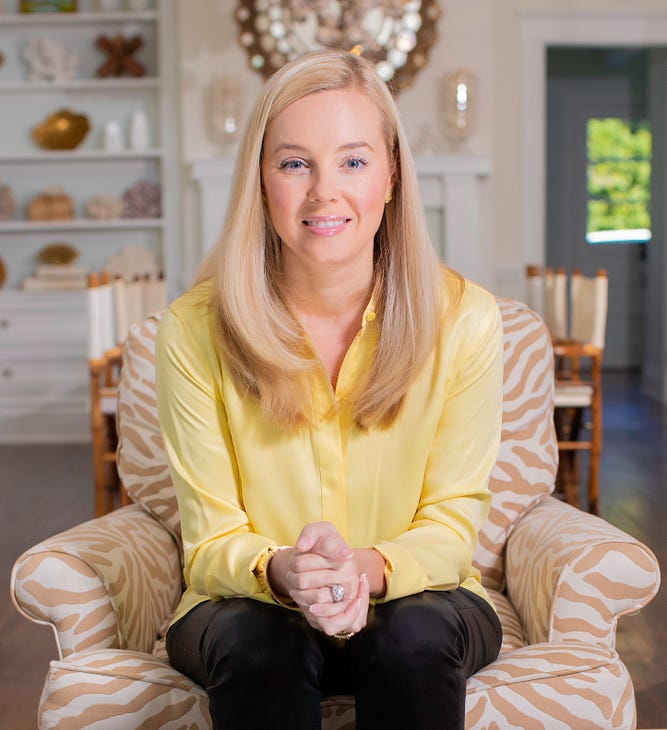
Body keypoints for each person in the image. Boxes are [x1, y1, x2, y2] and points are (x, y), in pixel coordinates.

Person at [156, 48, 503, 730]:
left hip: (422, 604)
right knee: (259, 643)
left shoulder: (465, 320)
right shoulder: (193, 329)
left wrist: (363, 570)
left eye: (353, 161)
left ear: (392, 175)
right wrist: (285, 572)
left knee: (411, 635)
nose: (324, 192)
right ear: (260, 181)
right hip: (249, 608)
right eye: (294, 164)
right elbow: (210, 541)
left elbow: (451, 527)